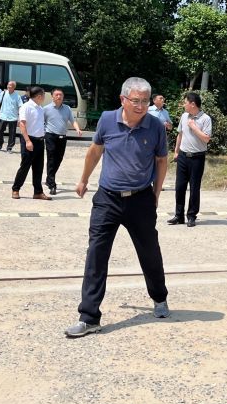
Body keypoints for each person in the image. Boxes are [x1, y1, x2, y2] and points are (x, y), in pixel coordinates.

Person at [64, 77, 170, 338]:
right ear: (123, 99)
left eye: (145, 101)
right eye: (136, 101)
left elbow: (162, 161)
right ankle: (89, 317)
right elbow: (95, 151)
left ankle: (159, 297)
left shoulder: (155, 126)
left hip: (140, 199)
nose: (141, 106)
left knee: (149, 252)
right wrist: (83, 179)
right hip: (107, 199)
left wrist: (156, 194)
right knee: (96, 255)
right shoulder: (107, 120)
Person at [167, 92, 212, 227]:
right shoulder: (184, 116)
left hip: (197, 157)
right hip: (183, 156)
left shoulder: (205, 119)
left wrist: (193, 127)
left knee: (194, 187)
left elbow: (206, 138)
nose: (183, 105)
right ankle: (178, 215)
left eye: (185, 102)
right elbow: (180, 134)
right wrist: (176, 151)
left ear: (192, 104)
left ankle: (191, 216)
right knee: (179, 186)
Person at [11, 86, 50, 200]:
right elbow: (22, 124)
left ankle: (38, 192)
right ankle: (16, 189)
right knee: (25, 166)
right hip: (29, 140)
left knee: (38, 168)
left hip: (39, 140)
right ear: (39, 96)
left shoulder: (40, 108)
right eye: (43, 95)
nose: (44, 97)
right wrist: (27, 141)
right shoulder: (26, 107)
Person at [43, 88, 83, 195]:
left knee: (58, 159)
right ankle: (52, 185)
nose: (59, 97)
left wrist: (78, 129)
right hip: (50, 136)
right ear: (52, 96)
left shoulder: (67, 108)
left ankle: (49, 178)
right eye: (56, 95)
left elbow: (73, 121)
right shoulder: (46, 109)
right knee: (51, 158)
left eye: (60, 95)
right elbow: (41, 122)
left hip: (62, 137)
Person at [0, 80, 22, 153]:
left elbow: (20, 106)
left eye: (11, 85)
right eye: (8, 85)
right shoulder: (3, 93)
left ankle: (9, 148)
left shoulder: (17, 96)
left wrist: (19, 117)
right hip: (3, 116)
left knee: (12, 134)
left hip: (13, 117)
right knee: (0, 131)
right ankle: (0, 144)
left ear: (14, 87)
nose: (9, 86)